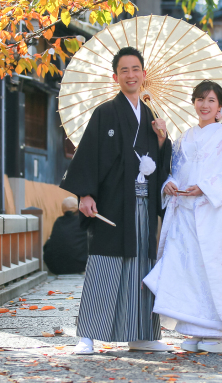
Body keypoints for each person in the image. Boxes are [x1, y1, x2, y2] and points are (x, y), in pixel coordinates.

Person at [60, 47, 173, 355]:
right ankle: (87, 334)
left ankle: (142, 334)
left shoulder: (152, 116)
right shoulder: (105, 113)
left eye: (136, 69)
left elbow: (163, 165)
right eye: (124, 70)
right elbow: (89, 157)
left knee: (142, 266)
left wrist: (163, 140)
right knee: (105, 265)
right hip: (112, 203)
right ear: (116, 77)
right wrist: (85, 194)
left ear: (144, 75)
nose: (131, 75)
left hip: (143, 205)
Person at [143, 80, 222, 354]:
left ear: (220, 107)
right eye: (200, 99)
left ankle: (215, 333)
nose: (204, 105)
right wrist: (168, 182)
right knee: (187, 270)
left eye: (211, 100)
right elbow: (175, 170)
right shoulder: (185, 137)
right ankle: (192, 329)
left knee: (212, 269)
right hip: (186, 214)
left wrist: (205, 186)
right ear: (194, 103)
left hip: (214, 216)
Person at [43, 197, 88, 275]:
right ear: (78, 209)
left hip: (56, 267)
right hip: (79, 266)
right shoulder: (82, 222)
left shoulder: (58, 221)